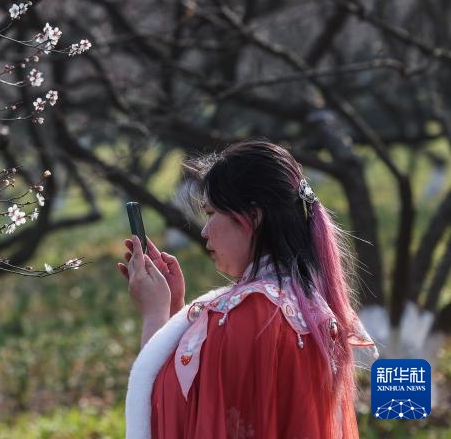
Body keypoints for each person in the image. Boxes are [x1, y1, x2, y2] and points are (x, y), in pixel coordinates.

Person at [119, 140, 376, 439]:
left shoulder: (250, 313)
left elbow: (171, 410)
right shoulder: (307, 304)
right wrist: (176, 308)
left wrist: (155, 314)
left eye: (212, 212)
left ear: (253, 217)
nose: (204, 230)